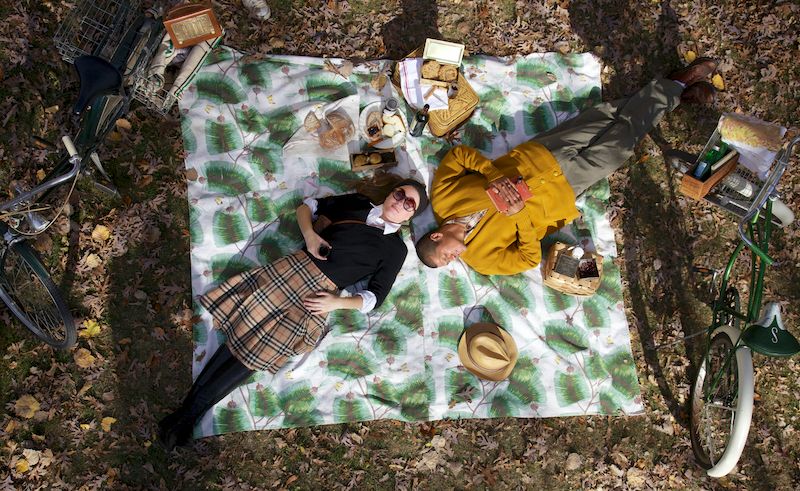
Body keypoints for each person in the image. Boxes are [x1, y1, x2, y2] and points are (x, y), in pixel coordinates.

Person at [158, 178, 428, 450]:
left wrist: (337, 303)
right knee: (239, 340)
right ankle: (184, 418)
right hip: (292, 269)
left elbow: (375, 298)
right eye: (399, 193)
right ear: (391, 191)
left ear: (410, 216)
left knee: (254, 355)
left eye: (409, 204)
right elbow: (307, 207)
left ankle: (185, 418)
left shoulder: (396, 249)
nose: (400, 202)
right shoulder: (357, 203)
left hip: (319, 296)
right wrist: (310, 236)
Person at [415, 59, 718, 275]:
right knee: (622, 142)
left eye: (445, 256)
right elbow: (528, 259)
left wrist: (494, 177)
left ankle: (675, 89)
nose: (454, 259)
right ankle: (676, 86)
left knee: (607, 116)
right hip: (563, 190)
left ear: (438, 236)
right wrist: (520, 216)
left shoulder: (443, 199)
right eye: (450, 263)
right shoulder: (481, 260)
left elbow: (459, 157)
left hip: (539, 156)